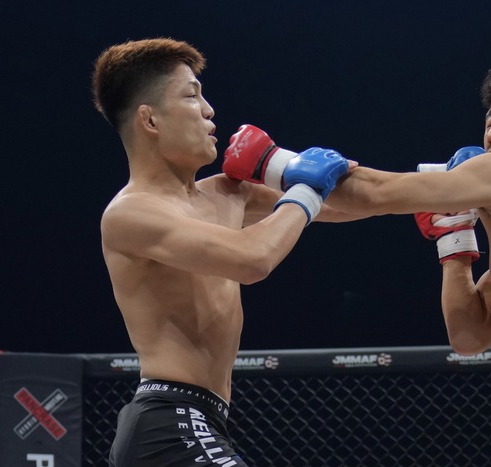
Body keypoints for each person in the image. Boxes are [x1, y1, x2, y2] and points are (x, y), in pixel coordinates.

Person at [229, 54, 491, 465]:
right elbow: (467, 337)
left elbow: (376, 193)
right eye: (489, 121)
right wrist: (455, 242)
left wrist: (272, 162)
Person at [91, 38, 356, 466]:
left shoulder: (225, 195)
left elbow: (343, 206)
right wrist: (307, 188)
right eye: (191, 95)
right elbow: (253, 258)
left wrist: (449, 190)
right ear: (150, 119)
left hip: (198, 421)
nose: (209, 109)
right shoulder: (131, 213)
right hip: (167, 424)